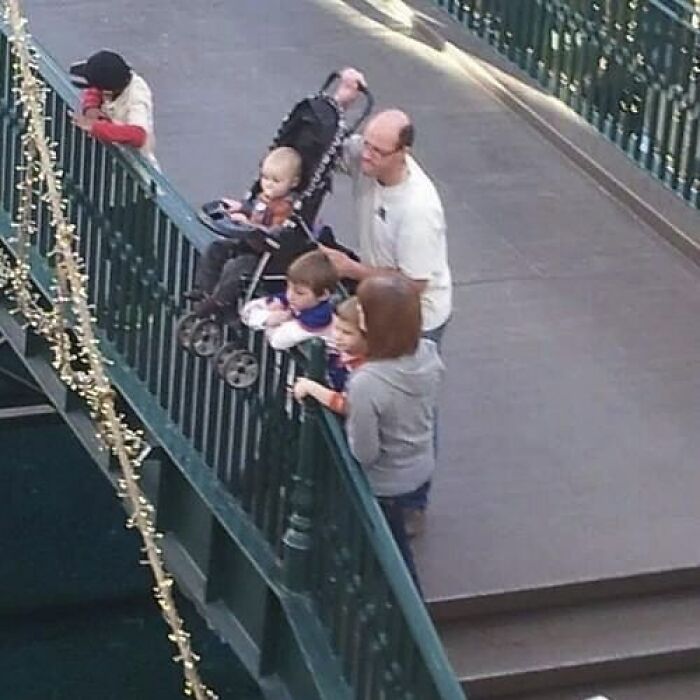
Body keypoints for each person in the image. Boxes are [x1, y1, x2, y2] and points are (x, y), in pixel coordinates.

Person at [328, 70, 452, 532]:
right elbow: (328, 151)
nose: (367, 155)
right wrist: (339, 102)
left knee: (415, 400)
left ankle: (414, 497)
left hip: (416, 313)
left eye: (379, 152)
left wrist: (350, 269)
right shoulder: (368, 159)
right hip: (380, 294)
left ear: (403, 153)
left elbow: (414, 283)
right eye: (368, 145)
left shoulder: (418, 209)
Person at [342, 274, 443, 594]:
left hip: (385, 482)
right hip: (419, 465)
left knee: (394, 555)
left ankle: (407, 606)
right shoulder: (427, 354)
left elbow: (365, 453)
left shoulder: (367, 383)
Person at [189, 146, 303, 318]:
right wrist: (240, 207)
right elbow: (255, 209)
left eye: (276, 181)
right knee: (216, 249)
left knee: (237, 268)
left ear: (293, 183)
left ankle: (219, 302)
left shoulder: (285, 207)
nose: (268, 184)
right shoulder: (265, 197)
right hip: (249, 241)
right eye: (265, 178)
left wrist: (248, 223)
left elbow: (275, 232)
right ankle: (203, 290)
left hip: (265, 252)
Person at [70, 50, 158, 169]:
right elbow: (94, 90)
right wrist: (91, 107)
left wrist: (95, 127)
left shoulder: (137, 97)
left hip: (136, 167)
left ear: (109, 90)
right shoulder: (116, 80)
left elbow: (138, 135)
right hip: (113, 157)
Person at [241, 249, 336, 351]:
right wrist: (268, 318)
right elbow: (247, 311)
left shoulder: (319, 318)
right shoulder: (290, 301)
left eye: (300, 293)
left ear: (323, 295)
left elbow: (277, 341)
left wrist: (272, 321)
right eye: (288, 287)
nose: (290, 295)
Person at [292, 296, 367, 415]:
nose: (337, 336)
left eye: (347, 333)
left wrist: (311, 388)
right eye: (336, 328)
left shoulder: (368, 369)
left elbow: (349, 406)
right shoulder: (338, 349)